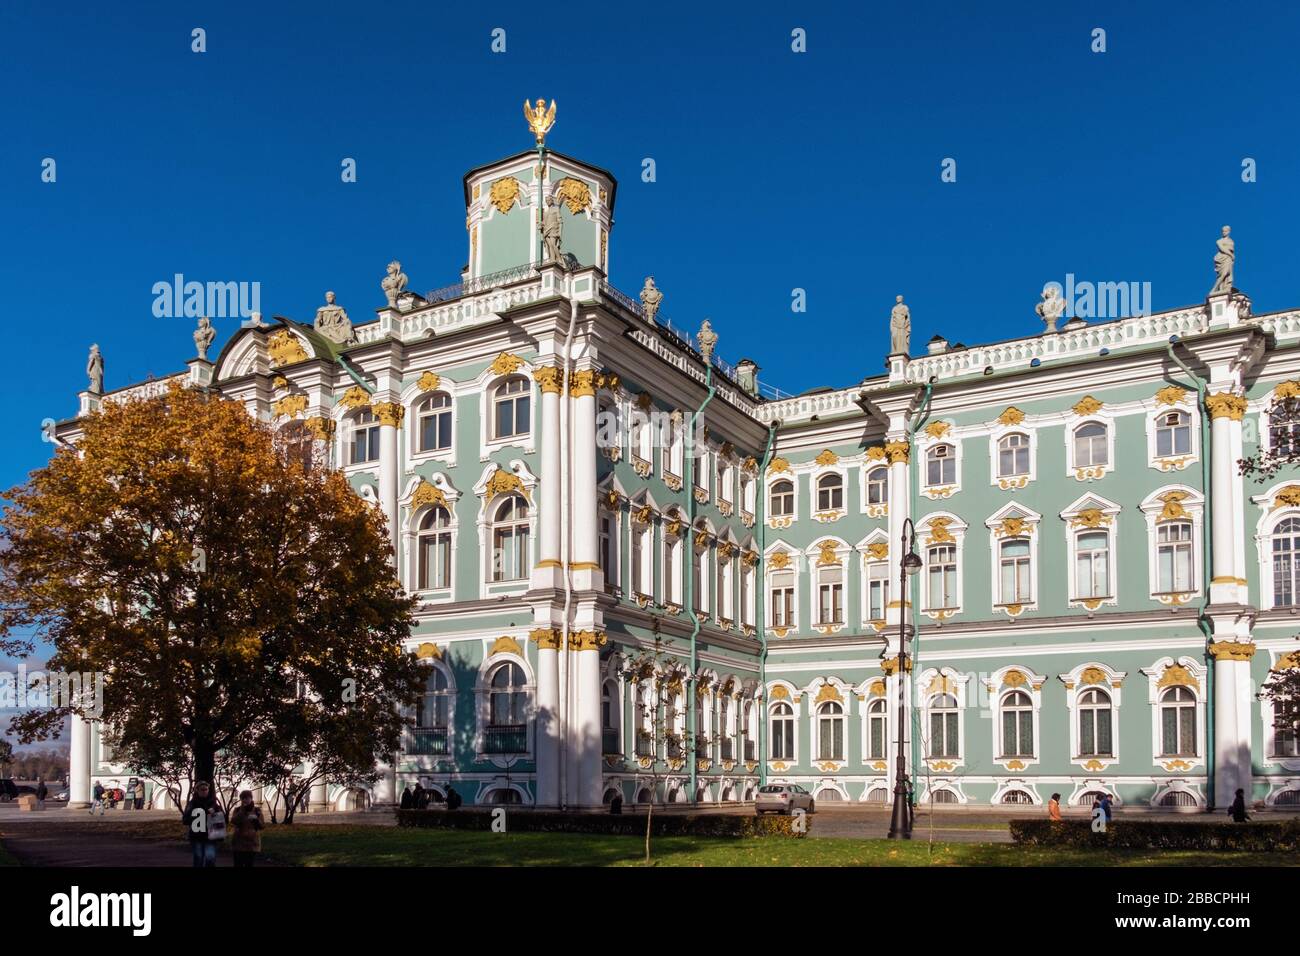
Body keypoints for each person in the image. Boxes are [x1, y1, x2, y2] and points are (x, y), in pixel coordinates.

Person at [182, 781, 222, 868]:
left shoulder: (214, 803)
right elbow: (185, 820)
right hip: (197, 836)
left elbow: (221, 819)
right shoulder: (192, 804)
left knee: (210, 858)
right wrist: (196, 817)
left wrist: (214, 814)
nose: (204, 791)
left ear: (208, 790)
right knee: (198, 859)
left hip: (210, 836)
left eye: (206, 789)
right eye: (202, 789)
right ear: (197, 790)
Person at [229, 790, 264, 867]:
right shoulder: (237, 810)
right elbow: (233, 821)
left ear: (251, 798)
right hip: (239, 842)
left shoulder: (257, 810)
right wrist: (242, 811)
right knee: (238, 864)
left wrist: (256, 820)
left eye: (247, 798)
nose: (245, 800)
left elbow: (262, 826)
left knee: (250, 864)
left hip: (252, 843)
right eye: (243, 798)